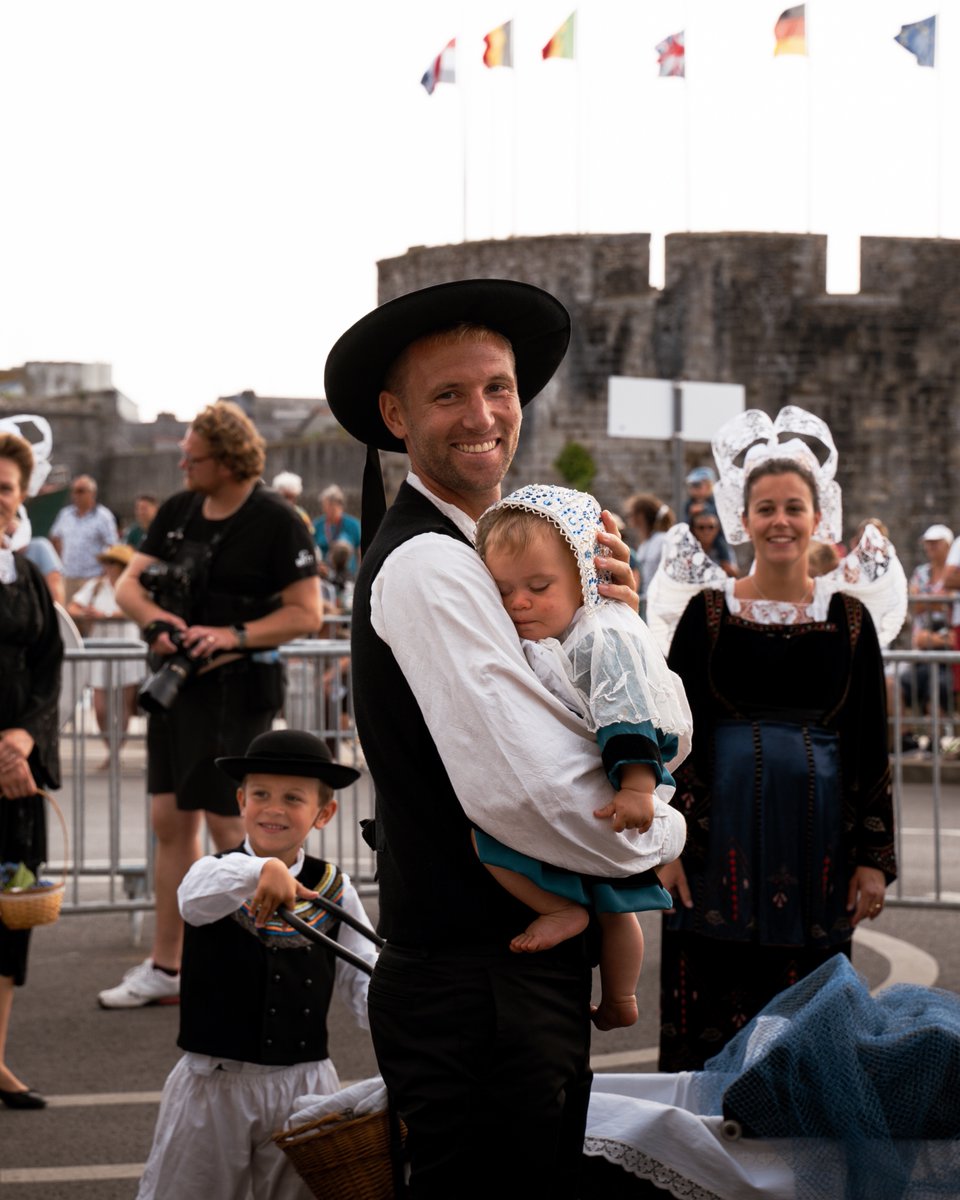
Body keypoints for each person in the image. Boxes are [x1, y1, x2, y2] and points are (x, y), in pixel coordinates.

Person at [324, 278, 686, 1197]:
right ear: (394, 415)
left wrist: (614, 644)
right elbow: (532, 796)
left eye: (499, 387)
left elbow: (615, 727)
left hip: (504, 980)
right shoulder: (430, 564)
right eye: (448, 394)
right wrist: (668, 830)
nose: (483, 415)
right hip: (477, 984)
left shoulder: (494, 553)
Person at [648, 404, 900, 1072]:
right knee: (709, 1008)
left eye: (794, 507)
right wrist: (666, 846)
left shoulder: (849, 619)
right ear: (743, 518)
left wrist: (872, 855)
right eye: (765, 508)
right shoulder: (706, 615)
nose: (780, 521)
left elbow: (871, 738)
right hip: (713, 850)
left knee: (809, 1021)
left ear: (820, 517)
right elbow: (672, 735)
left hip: (817, 848)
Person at [98, 401, 322, 1009]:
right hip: (174, 687)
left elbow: (308, 612)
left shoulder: (277, 520)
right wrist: (157, 623)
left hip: (237, 693)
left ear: (225, 460)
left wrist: (232, 637)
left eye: (191, 456)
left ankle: (250, 969)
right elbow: (127, 584)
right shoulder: (177, 510)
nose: (181, 462)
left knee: (233, 829)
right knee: (171, 824)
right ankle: (168, 969)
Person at [474, 484, 692, 1031]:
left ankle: (587, 948)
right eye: (502, 591)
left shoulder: (601, 634)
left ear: (587, 580)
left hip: (624, 775)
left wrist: (638, 786)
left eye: (539, 586)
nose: (519, 602)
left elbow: (627, 714)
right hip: (600, 780)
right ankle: (615, 991)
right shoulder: (559, 631)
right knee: (612, 902)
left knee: (492, 840)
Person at [136, 729, 375, 1200]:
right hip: (214, 1080)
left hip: (303, 1082)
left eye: (293, 798)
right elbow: (192, 900)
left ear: (324, 813)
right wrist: (262, 870)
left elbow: (364, 975)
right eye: (261, 794)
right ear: (240, 801)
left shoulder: (334, 887)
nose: (274, 808)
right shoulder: (215, 874)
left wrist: (415, 1034)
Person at [0, 430, 64, 1110]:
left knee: (8, 921)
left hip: (18, 772)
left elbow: (50, 669)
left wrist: (21, 739)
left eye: (5, 488)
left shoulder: (25, 577)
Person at [67, 543, 145, 767]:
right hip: (101, 651)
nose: (107, 567)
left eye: (112, 563)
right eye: (107, 562)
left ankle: (115, 753)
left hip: (128, 650)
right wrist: (87, 613)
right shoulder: (96, 586)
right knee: (100, 707)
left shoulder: (135, 587)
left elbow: (137, 610)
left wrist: (107, 614)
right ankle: (112, 749)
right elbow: (72, 607)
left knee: (124, 704)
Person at [900, 524, 954, 719]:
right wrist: (939, 601)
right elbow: (915, 605)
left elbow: (922, 603)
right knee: (899, 682)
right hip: (922, 646)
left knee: (937, 687)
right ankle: (906, 739)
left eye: (935, 544)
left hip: (946, 648)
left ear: (948, 546)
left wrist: (926, 600)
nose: (930, 548)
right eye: (927, 544)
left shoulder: (953, 574)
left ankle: (936, 742)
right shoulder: (921, 572)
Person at [49, 474, 119, 601]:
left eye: (80, 491)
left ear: (92, 493)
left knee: (88, 616)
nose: (76, 495)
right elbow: (55, 537)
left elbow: (113, 546)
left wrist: (105, 574)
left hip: (92, 578)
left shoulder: (103, 516)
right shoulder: (65, 515)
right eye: (74, 491)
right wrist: (60, 561)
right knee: (68, 616)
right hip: (68, 577)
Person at [625, 492, 673, 607]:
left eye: (631, 514)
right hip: (647, 602)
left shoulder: (663, 540)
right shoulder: (646, 544)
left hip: (661, 603)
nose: (629, 518)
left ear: (640, 516)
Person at [312, 484, 361, 573]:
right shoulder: (317, 525)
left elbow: (360, 551)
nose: (326, 509)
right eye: (325, 506)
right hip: (325, 575)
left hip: (348, 575)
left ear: (339, 505)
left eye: (330, 506)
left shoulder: (353, 525)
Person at [688, 505, 740, 577]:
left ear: (717, 528)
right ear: (693, 529)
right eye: (701, 527)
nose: (706, 532)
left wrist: (726, 568)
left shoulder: (723, 548)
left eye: (711, 527)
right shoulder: (687, 549)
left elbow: (735, 573)